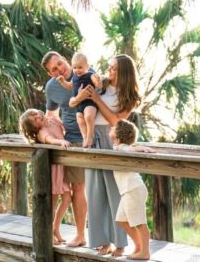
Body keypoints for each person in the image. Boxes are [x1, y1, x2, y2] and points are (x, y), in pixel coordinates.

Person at [72, 54, 141, 256]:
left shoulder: (130, 96)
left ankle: (119, 242)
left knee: (114, 194)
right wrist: (84, 97)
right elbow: (76, 98)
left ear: (124, 72)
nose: (109, 71)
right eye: (108, 67)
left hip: (113, 140)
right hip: (92, 139)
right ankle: (101, 240)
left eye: (113, 69)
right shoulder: (98, 82)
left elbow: (116, 121)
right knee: (94, 193)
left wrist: (96, 100)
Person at [42, 51, 88, 247]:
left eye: (60, 63)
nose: (60, 69)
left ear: (64, 58)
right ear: (50, 74)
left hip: (92, 140)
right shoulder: (52, 88)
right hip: (70, 142)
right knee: (73, 189)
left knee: (87, 189)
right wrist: (46, 136)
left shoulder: (84, 74)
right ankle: (78, 235)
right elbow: (50, 114)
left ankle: (89, 236)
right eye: (54, 69)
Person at [20, 108, 73, 245]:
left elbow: (64, 126)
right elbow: (49, 140)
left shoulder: (53, 120)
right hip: (54, 170)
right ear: (33, 128)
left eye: (36, 114)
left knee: (67, 199)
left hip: (63, 168)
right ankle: (49, 233)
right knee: (53, 203)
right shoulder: (41, 133)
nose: (38, 117)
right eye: (34, 120)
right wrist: (59, 142)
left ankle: (56, 228)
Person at [109, 119, 155, 260]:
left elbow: (130, 148)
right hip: (128, 191)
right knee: (121, 220)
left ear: (118, 135)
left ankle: (145, 253)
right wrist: (136, 146)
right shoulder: (117, 147)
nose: (111, 127)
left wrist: (141, 148)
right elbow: (130, 147)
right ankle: (139, 246)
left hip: (133, 189)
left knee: (140, 223)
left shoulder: (123, 147)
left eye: (114, 127)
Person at [56, 52, 104, 148]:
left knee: (88, 117)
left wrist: (98, 81)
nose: (77, 70)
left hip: (89, 102)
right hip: (79, 105)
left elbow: (99, 85)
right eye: (74, 67)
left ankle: (90, 136)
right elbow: (69, 86)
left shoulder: (91, 75)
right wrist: (62, 82)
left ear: (87, 66)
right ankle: (85, 137)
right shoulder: (75, 78)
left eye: (80, 67)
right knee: (80, 121)